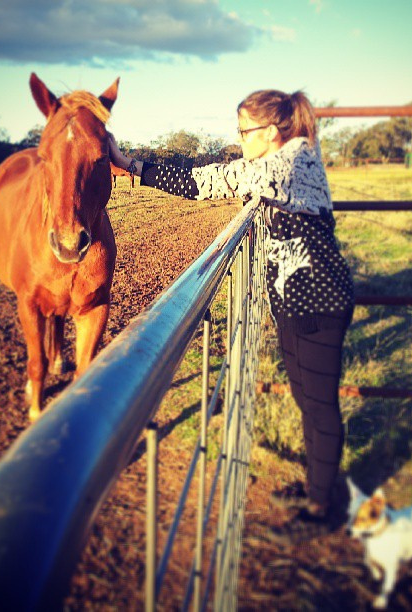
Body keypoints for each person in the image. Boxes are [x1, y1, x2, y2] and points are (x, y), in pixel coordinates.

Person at [109, 89, 354, 536]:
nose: (239, 139)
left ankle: (324, 509)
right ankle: (318, 487)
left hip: (317, 303)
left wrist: (132, 165)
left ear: (272, 131)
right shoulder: (288, 160)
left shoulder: (290, 163)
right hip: (297, 301)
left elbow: (208, 182)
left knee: (319, 407)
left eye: (244, 131)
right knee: (307, 400)